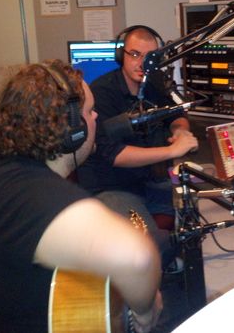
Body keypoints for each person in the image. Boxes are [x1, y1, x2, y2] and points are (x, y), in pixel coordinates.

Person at [0, 60, 162, 333]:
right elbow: (136, 258)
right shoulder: (25, 191)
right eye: (90, 111)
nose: (96, 117)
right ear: (72, 129)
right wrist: (145, 311)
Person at [78, 25, 198, 266]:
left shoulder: (155, 85)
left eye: (150, 57)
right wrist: (172, 151)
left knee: (198, 209)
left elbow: (177, 113)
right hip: (112, 187)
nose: (142, 63)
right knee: (144, 250)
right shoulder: (102, 93)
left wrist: (179, 131)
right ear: (121, 55)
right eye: (135, 54)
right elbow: (114, 155)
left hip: (149, 182)